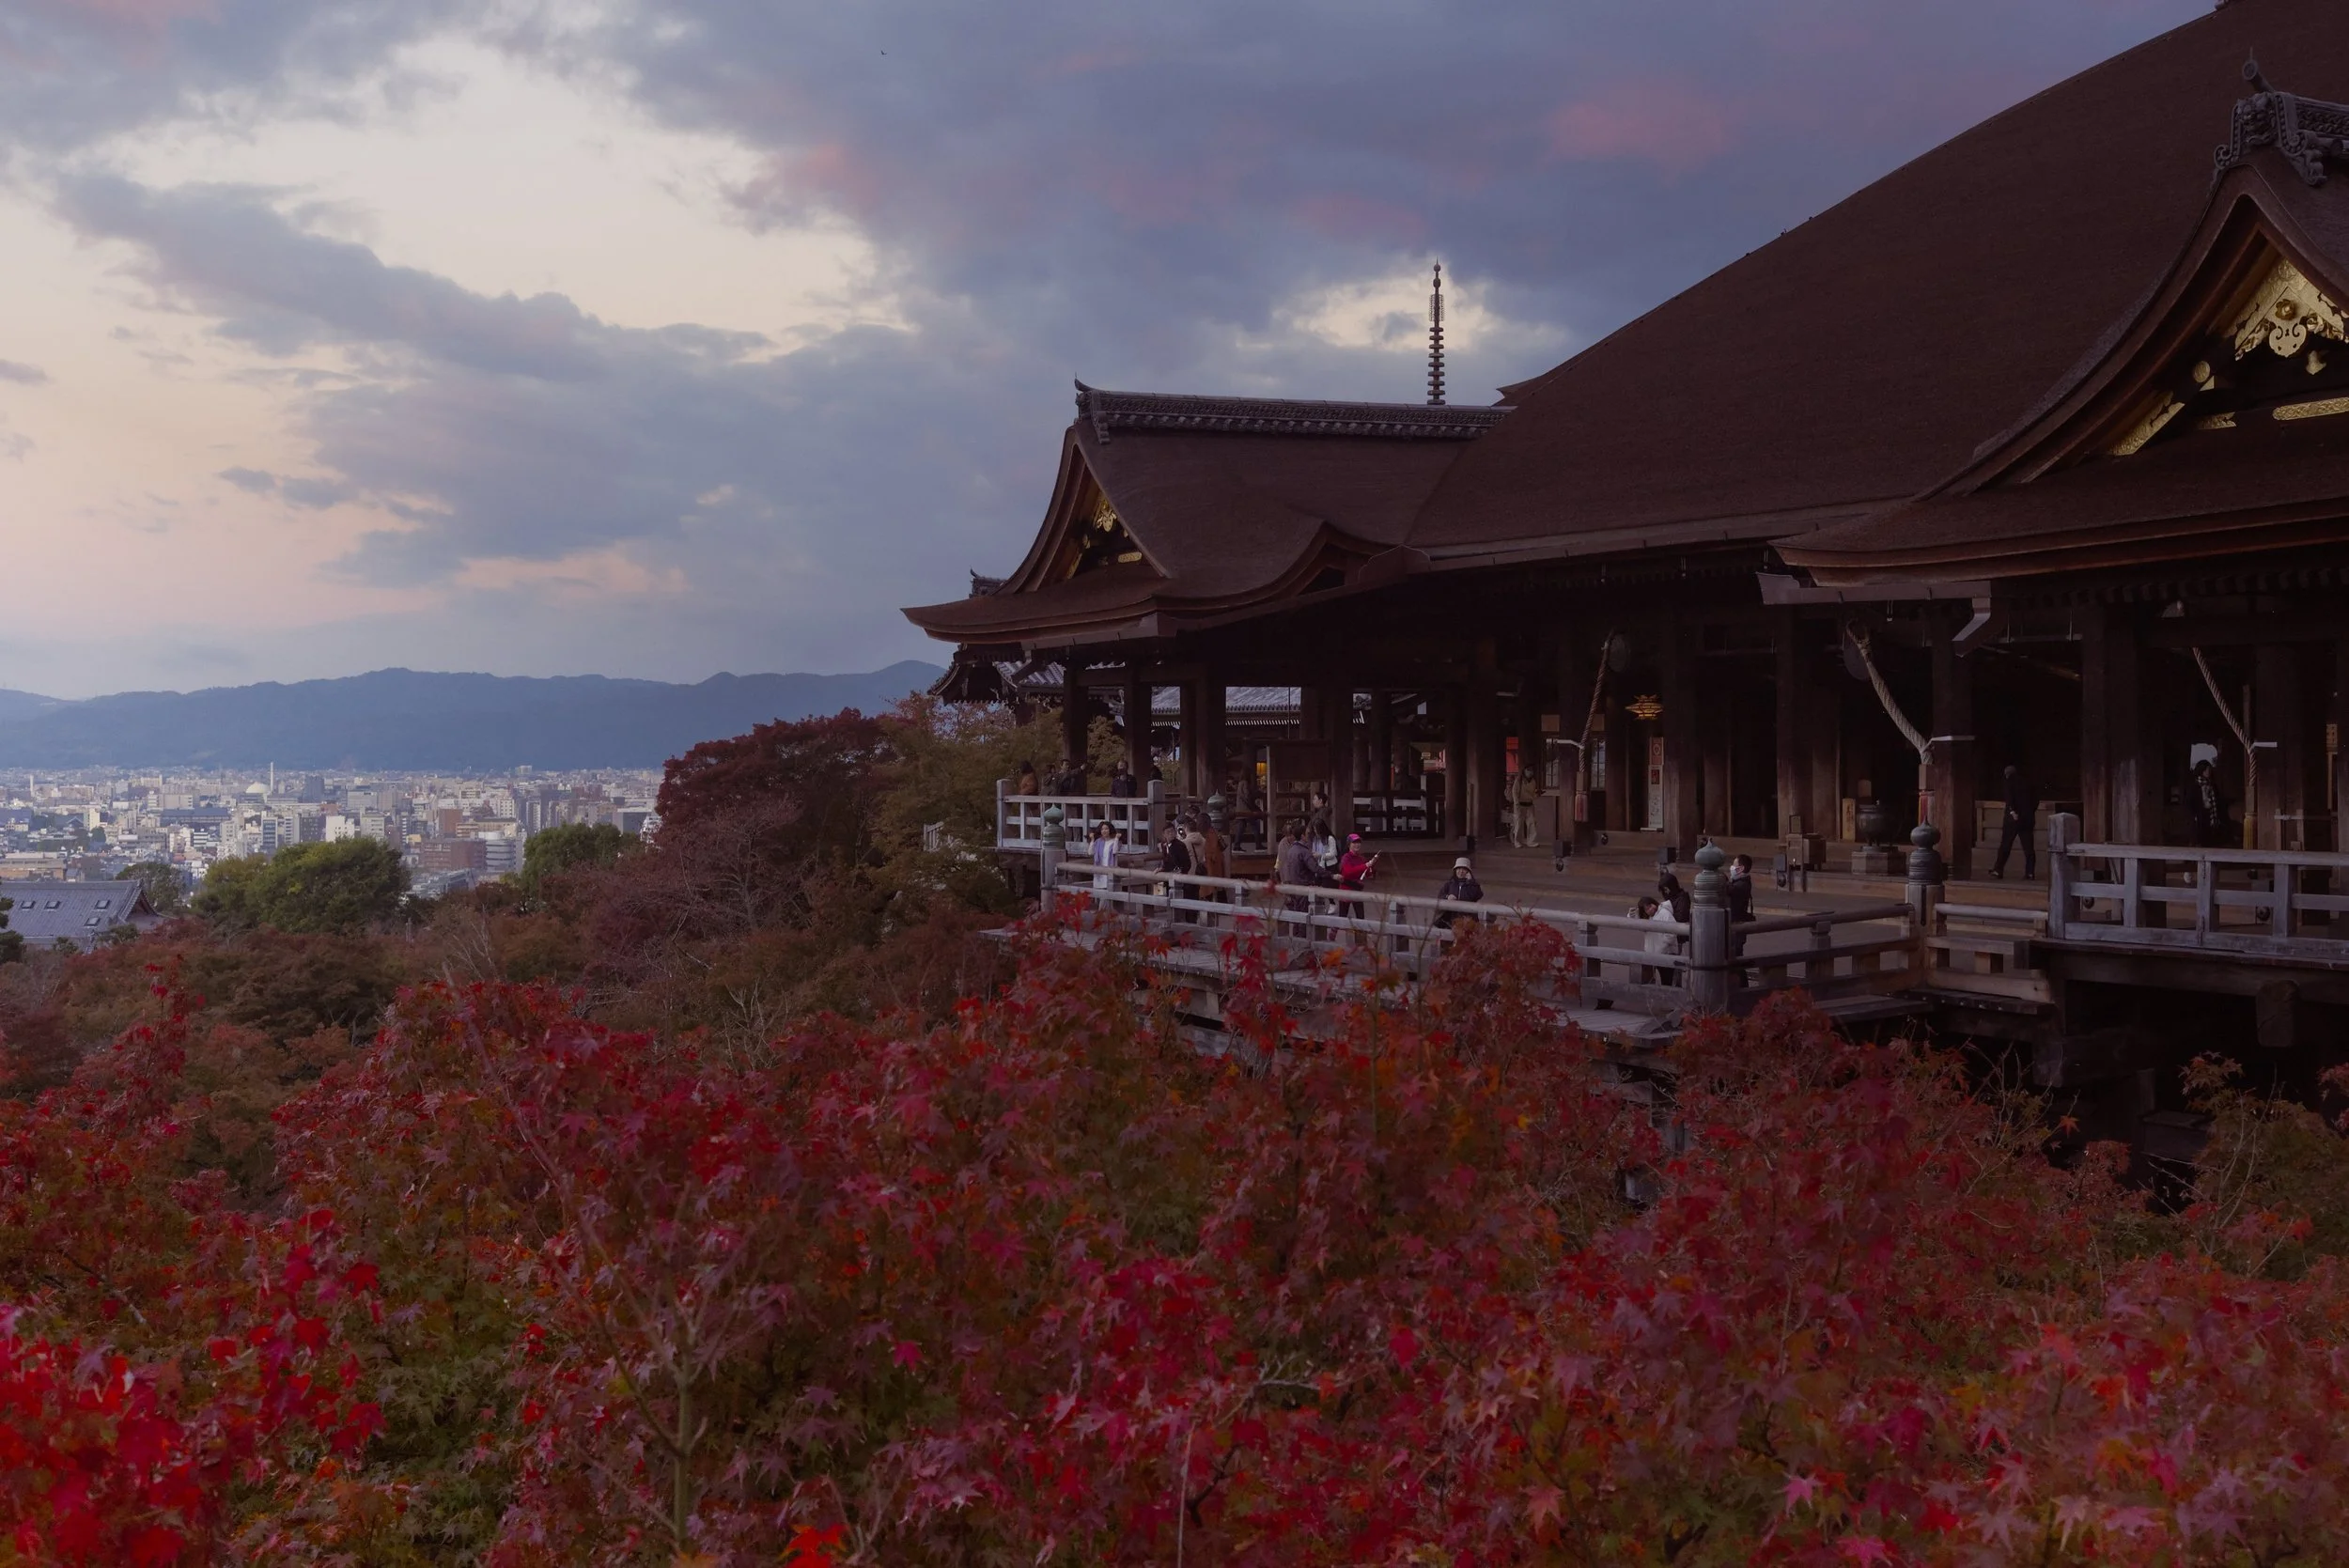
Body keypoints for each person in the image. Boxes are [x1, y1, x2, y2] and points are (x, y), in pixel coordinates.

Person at [1989, 764, 2038, 879]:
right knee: (2028, 846)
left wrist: (2013, 811)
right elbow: (2036, 800)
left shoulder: (2009, 781)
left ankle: (1998, 870)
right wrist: (2030, 812)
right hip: (2027, 818)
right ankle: (2030, 872)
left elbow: (2009, 797)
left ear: (2007, 774)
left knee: (2006, 844)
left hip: (2013, 819)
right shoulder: (2028, 782)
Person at [1336, 831, 1377, 924]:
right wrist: (1365, 866)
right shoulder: (1346, 857)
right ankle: (1334, 932)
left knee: (1361, 917)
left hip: (1357, 889)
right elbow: (1348, 872)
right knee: (1342, 917)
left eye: (1358, 842)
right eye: (1354, 842)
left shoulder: (1361, 858)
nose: (1357, 844)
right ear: (1349, 844)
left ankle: (1361, 933)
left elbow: (1368, 874)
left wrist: (1371, 866)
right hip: (1346, 890)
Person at [1435, 856, 1483, 929]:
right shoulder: (1449, 884)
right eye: (1458, 869)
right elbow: (1440, 896)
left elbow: (1477, 895)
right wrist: (1447, 897)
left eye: (1464, 869)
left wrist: (1471, 882)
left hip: (1467, 918)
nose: (1461, 871)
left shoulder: (1472, 885)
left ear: (1468, 871)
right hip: (1451, 918)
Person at [2188, 758, 2227, 847]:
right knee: (2200, 842)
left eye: (2209, 769)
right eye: (2206, 770)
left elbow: (2218, 802)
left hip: (2212, 817)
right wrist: (2194, 815)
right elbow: (2190, 803)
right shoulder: (2195, 786)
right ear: (2201, 771)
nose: (2208, 772)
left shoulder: (2212, 785)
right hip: (2200, 818)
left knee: (2212, 842)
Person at [1089, 817, 1120, 892]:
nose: (1104, 831)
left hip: (1110, 868)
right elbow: (1090, 852)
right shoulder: (1098, 841)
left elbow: (1115, 851)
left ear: (1110, 830)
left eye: (1106, 829)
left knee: (1109, 890)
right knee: (1099, 891)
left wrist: (1117, 839)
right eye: (1102, 829)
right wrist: (1092, 840)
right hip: (1099, 869)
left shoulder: (1114, 841)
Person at [1725, 854, 1756, 924]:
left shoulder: (1741, 885)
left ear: (1741, 868)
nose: (1731, 867)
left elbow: (1730, 890)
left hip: (1736, 922)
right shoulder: (1744, 881)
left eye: (1734, 865)